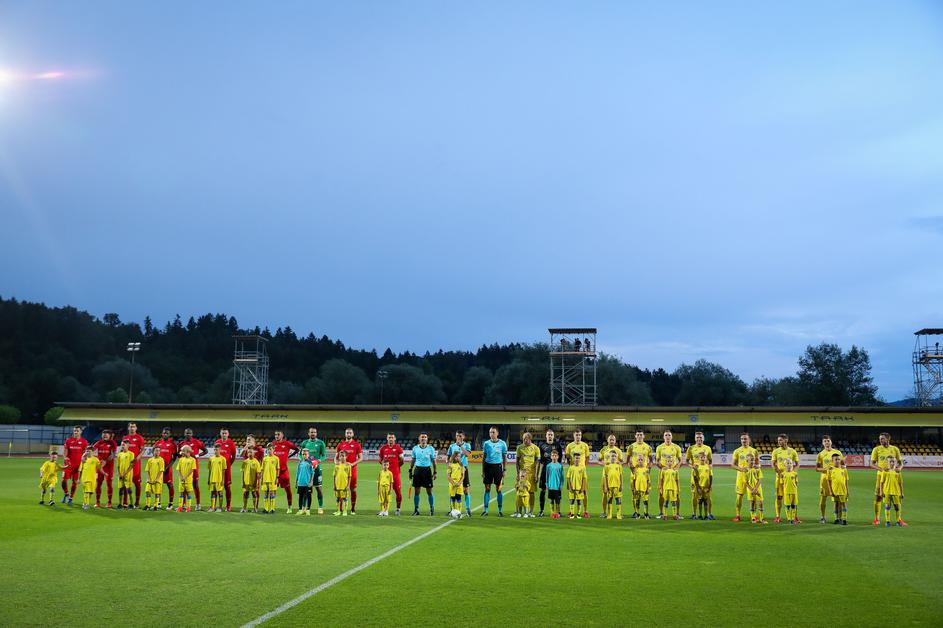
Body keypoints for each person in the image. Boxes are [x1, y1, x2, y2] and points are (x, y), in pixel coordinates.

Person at [870, 432, 904, 526]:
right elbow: (872, 464)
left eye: (882, 438)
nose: (880, 440)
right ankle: (877, 519)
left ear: (888, 439)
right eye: (880, 439)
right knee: (878, 497)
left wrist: (900, 468)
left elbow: (901, 462)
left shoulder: (895, 449)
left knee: (897, 497)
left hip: (893, 476)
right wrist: (882, 470)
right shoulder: (876, 449)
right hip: (881, 476)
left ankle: (899, 519)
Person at [771, 433, 799, 523]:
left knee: (793, 497)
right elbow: (773, 464)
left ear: (786, 440)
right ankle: (778, 516)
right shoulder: (776, 451)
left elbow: (797, 464)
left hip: (790, 479)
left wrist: (793, 473)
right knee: (779, 497)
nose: (778, 442)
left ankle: (794, 516)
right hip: (779, 478)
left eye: (780, 440)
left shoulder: (792, 451)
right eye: (778, 440)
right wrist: (779, 473)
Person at [537, 429, 566, 517]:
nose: (550, 436)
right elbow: (540, 461)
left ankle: (558, 511)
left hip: (555, 473)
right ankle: (541, 510)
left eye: (551, 435)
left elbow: (560, 461)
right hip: (545, 471)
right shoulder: (542, 446)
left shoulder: (557, 446)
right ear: (546, 436)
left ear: (553, 436)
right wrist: (537, 474)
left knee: (558, 490)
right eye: (548, 434)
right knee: (543, 490)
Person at [731, 432, 759, 522]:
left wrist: (756, 467)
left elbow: (758, 464)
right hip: (741, 477)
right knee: (739, 496)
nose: (743, 440)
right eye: (742, 439)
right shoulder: (737, 451)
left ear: (749, 440)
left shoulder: (754, 451)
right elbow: (733, 464)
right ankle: (738, 515)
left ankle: (753, 515)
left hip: (751, 477)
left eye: (745, 439)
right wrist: (741, 469)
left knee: (753, 496)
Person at [815, 435, 844, 523]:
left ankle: (839, 518)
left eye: (828, 441)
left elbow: (843, 465)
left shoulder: (837, 452)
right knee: (823, 498)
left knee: (838, 499)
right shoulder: (821, 454)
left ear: (831, 442)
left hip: (836, 479)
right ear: (822, 443)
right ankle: (823, 517)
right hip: (824, 479)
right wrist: (826, 470)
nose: (827, 442)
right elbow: (817, 468)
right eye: (825, 441)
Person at [684, 431, 712, 520]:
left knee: (708, 496)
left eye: (700, 437)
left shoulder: (708, 448)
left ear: (703, 438)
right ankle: (694, 514)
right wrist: (692, 466)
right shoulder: (691, 448)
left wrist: (709, 466)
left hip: (705, 475)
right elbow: (687, 461)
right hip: (695, 475)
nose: (699, 439)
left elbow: (710, 461)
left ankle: (709, 514)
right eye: (697, 437)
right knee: (695, 496)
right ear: (695, 439)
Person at [299, 427, 327, 514]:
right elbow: (300, 455)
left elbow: (324, 456)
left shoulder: (321, 443)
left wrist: (317, 461)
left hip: (317, 469)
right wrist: (304, 461)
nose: (313, 434)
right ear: (308, 433)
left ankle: (320, 507)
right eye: (311, 432)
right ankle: (304, 508)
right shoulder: (305, 443)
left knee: (319, 488)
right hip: (307, 470)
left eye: (314, 432)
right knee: (306, 489)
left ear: (316, 433)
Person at [270, 430, 299, 514]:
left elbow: (297, 449)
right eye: (275, 434)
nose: (276, 436)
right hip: (274, 471)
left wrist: (289, 456)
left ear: (282, 435)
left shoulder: (287, 444)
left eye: (278, 434)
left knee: (287, 489)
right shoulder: (273, 444)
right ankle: (272, 507)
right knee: (273, 490)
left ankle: (289, 507)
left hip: (283, 471)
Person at [178, 428, 208, 511]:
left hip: (194, 468)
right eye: (186, 433)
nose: (188, 434)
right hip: (184, 468)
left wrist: (197, 455)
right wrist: (181, 453)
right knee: (183, 486)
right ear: (184, 434)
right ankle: (184, 504)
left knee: (195, 485)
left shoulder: (197, 442)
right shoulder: (181, 443)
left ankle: (198, 504)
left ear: (192, 434)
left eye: (189, 433)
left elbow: (205, 450)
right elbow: (178, 454)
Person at [336, 428, 363, 514]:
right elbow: (336, 458)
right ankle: (340, 509)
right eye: (347, 433)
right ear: (345, 434)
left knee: (353, 489)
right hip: (342, 471)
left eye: (350, 433)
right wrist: (337, 463)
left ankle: (353, 508)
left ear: (353, 434)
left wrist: (352, 464)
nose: (348, 434)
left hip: (352, 470)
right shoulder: (340, 445)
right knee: (341, 489)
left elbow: (361, 458)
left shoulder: (357, 445)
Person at [655, 430, 682, 519]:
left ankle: (677, 513)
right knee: (661, 493)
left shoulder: (676, 447)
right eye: (666, 435)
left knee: (677, 494)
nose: (667, 437)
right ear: (663, 437)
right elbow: (657, 461)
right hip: (663, 473)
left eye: (669, 435)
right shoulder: (659, 447)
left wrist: (676, 467)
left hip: (673, 473)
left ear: (671, 437)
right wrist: (662, 467)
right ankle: (661, 513)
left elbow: (680, 461)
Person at [481, 426, 508, 516]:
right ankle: (486, 510)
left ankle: (500, 510)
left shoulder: (502, 443)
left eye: (493, 432)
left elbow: (504, 457)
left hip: (498, 467)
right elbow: (484, 457)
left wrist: (504, 469)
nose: (491, 434)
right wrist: (483, 471)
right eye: (490, 432)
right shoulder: (486, 443)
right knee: (487, 489)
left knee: (499, 489)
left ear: (497, 433)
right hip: (488, 467)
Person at [564, 430, 591, 517]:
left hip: (582, 471)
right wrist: (571, 466)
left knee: (584, 491)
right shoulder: (569, 446)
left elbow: (587, 457)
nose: (578, 436)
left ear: (581, 435)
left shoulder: (585, 445)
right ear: (573, 435)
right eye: (576, 435)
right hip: (572, 471)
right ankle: (571, 511)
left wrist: (584, 467)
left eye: (579, 435)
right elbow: (567, 457)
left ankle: (585, 511)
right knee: (571, 491)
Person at [446, 430, 473, 517]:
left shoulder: (467, 445)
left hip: (463, 469)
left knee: (466, 490)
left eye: (460, 436)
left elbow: (467, 454)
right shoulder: (452, 446)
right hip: (454, 470)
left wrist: (461, 446)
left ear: (463, 437)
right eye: (457, 435)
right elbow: (448, 457)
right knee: (452, 490)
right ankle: (452, 510)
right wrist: (449, 464)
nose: (458, 437)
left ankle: (468, 509)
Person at [410, 432, 437, 516]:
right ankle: (416, 509)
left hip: (427, 471)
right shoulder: (415, 448)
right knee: (416, 492)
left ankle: (432, 508)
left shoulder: (431, 448)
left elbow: (434, 461)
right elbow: (413, 460)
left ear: (427, 439)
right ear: (419, 438)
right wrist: (410, 470)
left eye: (425, 437)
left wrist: (435, 472)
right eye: (422, 437)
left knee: (429, 491)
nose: (423, 438)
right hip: (417, 470)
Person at [597, 434, 624, 518]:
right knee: (605, 493)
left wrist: (619, 463)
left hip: (615, 476)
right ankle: (604, 512)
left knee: (618, 494)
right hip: (605, 475)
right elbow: (599, 461)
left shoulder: (618, 451)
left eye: (613, 440)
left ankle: (619, 513)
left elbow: (622, 461)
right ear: (607, 440)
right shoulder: (603, 449)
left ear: (615, 441)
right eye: (610, 439)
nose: (612, 441)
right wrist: (604, 464)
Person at [61, 425, 89, 505]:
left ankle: (71, 497)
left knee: (75, 482)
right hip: (68, 465)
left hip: (78, 466)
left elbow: (85, 454)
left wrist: (84, 460)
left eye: (77, 431)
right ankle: (66, 493)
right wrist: (65, 458)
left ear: (81, 432)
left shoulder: (84, 442)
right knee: (63, 480)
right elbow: (65, 452)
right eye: (74, 431)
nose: (76, 432)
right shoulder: (68, 440)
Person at [378, 433, 405, 516]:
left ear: (395, 438)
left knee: (398, 492)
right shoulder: (383, 448)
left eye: (392, 437)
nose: (391, 439)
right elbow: (380, 460)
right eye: (389, 437)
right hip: (385, 476)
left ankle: (398, 509)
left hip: (395, 475)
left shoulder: (398, 448)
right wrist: (385, 468)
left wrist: (396, 467)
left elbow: (402, 461)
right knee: (384, 493)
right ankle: (384, 510)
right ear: (387, 438)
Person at [628, 430, 652, 518]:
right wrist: (632, 469)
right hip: (635, 473)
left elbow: (651, 461)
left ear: (643, 436)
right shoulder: (631, 447)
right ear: (635, 436)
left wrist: (648, 470)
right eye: (638, 435)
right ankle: (636, 512)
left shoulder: (648, 447)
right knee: (634, 493)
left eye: (641, 435)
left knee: (646, 494)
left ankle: (645, 512)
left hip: (644, 473)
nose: (639, 436)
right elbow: (628, 461)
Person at [121, 422, 146, 508]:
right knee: (125, 483)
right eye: (131, 427)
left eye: (133, 427)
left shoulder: (139, 438)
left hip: (135, 464)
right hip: (126, 464)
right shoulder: (125, 438)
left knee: (137, 483)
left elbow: (143, 450)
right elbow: (122, 449)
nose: (132, 428)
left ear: (136, 428)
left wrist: (137, 458)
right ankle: (125, 502)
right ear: (128, 428)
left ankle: (137, 503)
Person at [515, 432, 540, 517]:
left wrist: (536, 474)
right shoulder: (520, 448)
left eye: (526, 438)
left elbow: (537, 463)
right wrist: (518, 473)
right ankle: (519, 511)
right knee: (520, 491)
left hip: (531, 473)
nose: (525, 440)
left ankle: (531, 511)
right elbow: (517, 462)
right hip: (522, 474)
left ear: (530, 439)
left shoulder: (536, 448)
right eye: (523, 439)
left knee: (531, 493)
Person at [92, 429, 119, 508]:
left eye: (107, 434)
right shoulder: (99, 442)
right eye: (103, 434)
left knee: (109, 484)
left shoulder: (112, 443)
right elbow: (92, 449)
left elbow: (113, 455)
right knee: (98, 484)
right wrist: (86, 452)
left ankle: (109, 502)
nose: (105, 435)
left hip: (109, 467)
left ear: (110, 436)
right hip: (100, 467)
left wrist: (105, 461)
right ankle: (97, 502)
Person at [214, 428, 238, 512]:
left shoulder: (231, 443)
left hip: (227, 469)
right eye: (223, 433)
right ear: (220, 434)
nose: (224, 435)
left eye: (225, 433)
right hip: (217, 469)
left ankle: (228, 505)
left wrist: (229, 464)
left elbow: (233, 456)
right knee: (216, 487)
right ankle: (215, 505)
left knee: (227, 486)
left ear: (228, 434)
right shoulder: (217, 442)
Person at [154, 427, 178, 510]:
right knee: (158, 485)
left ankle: (170, 503)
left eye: (167, 433)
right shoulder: (158, 443)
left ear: (169, 434)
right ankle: (158, 503)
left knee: (170, 485)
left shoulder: (172, 444)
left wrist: (168, 467)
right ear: (162, 433)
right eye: (164, 433)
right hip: (158, 469)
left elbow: (174, 457)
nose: (165, 434)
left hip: (168, 469)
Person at [878, 457, 904, 527]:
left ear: (896, 463)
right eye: (890, 462)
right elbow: (881, 482)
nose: (892, 463)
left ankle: (898, 521)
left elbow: (900, 483)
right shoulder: (885, 471)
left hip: (896, 492)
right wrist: (881, 492)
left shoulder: (898, 472)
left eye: (893, 462)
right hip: (887, 491)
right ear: (888, 463)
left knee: (897, 507)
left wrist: (902, 492)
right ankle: (888, 521)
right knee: (887, 506)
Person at [744, 453, 767, 524]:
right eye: (751, 460)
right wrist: (751, 489)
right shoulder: (745, 470)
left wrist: (756, 488)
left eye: (753, 460)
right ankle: (753, 518)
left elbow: (760, 479)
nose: (753, 461)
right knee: (752, 502)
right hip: (750, 489)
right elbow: (746, 482)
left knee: (761, 502)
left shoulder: (757, 469)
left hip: (758, 488)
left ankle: (761, 518)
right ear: (747, 461)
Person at [826, 455, 849, 525]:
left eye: (838, 459)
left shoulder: (844, 469)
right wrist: (830, 491)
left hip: (843, 490)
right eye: (835, 459)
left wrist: (847, 491)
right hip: (834, 490)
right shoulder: (830, 470)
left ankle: (844, 519)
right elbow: (828, 481)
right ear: (832, 461)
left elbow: (846, 481)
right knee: (835, 504)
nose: (837, 461)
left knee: (843, 504)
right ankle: (836, 519)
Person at [692, 451, 714, 520]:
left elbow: (711, 477)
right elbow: (695, 478)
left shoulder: (708, 467)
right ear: (699, 458)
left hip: (706, 487)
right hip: (699, 487)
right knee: (700, 501)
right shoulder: (697, 467)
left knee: (706, 501)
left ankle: (706, 515)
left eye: (704, 457)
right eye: (701, 457)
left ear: (706, 458)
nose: (702, 458)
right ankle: (700, 515)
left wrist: (709, 487)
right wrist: (698, 488)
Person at [602, 450, 623, 520]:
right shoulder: (607, 466)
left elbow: (621, 476)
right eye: (612, 456)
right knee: (609, 499)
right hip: (609, 486)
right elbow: (605, 477)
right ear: (609, 457)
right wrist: (606, 486)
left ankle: (618, 514)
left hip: (617, 486)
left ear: (616, 457)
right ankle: (609, 514)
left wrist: (621, 485)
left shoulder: (619, 466)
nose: (613, 457)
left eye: (614, 456)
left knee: (618, 499)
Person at [175, 445, 196, 512]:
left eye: (183, 451)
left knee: (188, 493)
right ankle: (180, 507)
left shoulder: (192, 460)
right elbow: (178, 469)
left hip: (188, 480)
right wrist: (181, 477)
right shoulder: (181, 459)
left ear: (187, 451)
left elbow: (192, 470)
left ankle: (188, 507)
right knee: (181, 493)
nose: (181, 452)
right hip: (181, 480)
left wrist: (185, 477)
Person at [207, 445, 228, 512]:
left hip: (219, 479)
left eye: (217, 450)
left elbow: (223, 470)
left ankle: (220, 507)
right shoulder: (211, 458)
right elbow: (210, 470)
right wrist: (208, 479)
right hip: (212, 478)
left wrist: (223, 480)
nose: (216, 451)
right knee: (212, 493)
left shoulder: (223, 459)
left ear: (220, 450)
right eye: (215, 450)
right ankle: (213, 507)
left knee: (220, 493)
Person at [566, 451, 587, 519]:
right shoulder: (571, 468)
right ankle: (572, 514)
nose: (577, 459)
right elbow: (568, 478)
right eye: (576, 458)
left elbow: (584, 478)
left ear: (580, 459)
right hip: (572, 488)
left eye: (578, 458)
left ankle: (578, 514)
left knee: (579, 501)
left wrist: (582, 488)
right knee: (571, 500)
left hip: (579, 488)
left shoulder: (582, 468)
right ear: (573, 459)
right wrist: (570, 487)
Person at [260, 445, 280, 514]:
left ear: (273, 449)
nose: (269, 451)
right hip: (265, 478)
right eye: (268, 449)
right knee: (265, 493)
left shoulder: (276, 458)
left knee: (272, 493)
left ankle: (272, 509)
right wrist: (261, 478)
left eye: (270, 449)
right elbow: (262, 469)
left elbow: (278, 469)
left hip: (272, 479)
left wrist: (277, 478)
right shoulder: (265, 459)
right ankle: (266, 509)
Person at [241, 446, 262, 513]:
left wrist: (257, 483)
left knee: (254, 494)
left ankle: (255, 508)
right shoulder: (245, 462)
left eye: (251, 452)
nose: (250, 453)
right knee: (245, 494)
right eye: (249, 452)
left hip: (253, 482)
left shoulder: (256, 462)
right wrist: (243, 482)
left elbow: (258, 473)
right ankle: (244, 508)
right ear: (247, 453)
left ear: (254, 453)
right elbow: (243, 472)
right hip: (246, 482)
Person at [544, 449, 564, 519]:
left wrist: (561, 485)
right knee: (551, 500)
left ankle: (557, 513)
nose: (554, 457)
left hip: (557, 486)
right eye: (553, 455)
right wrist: (547, 484)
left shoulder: (560, 466)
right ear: (551, 456)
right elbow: (547, 476)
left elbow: (562, 477)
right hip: (550, 486)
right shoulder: (548, 466)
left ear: (558, 456)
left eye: (555, 455)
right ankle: (552, 513)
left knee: (557, 500)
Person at [659, 455, 680, 520]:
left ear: (673, 462)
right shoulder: (663, 470)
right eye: (668, 461)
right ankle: (665, 515)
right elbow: (661, 480)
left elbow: (677, 480)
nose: (669, 462)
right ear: (666, 462)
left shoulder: (675, 471)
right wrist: (661, 488)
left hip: (673, 488)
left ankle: (674, 515)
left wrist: (678, 489)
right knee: (666, 501)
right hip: (666, 488)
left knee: (673, 502)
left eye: (671, 461)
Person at [116, 441, 136, 509]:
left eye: (124, 445)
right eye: (121, 445)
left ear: (128, 446)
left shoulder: (131, 454)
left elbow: (131, 465)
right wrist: (119, 473)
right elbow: (118, 465)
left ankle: (131, 504)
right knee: (120, 489)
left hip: (128, 475)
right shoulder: (119, 454)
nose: (122, 446)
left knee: (129, 489)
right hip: (121, 475)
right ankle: (120, 504)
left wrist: (125, 473)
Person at [631, 454, 652, 519]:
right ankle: (637, 514)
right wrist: (634, 488)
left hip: (644, 488)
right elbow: (634, 480)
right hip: (637, 489)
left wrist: (648, 488)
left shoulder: (646, 470)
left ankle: (646, 514)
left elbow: (648, 480)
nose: (640, 461)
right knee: (637, 501)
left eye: (641, 460)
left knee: (645, 501)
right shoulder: (635, 470)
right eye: (639, 460)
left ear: (644, 461)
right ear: (637, 461)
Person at [295, 449, 314, 516]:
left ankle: (308, 510)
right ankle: (300, 510)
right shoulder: (300, 462)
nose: (304, 455)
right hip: (300, 482)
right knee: (300, 497)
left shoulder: (310, 463)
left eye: (305, 454)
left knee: (308, 496)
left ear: (308, 455)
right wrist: (296, 481)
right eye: (303, 454)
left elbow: (312, 473)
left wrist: (311, 482)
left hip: (307, 483)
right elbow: (297, 472)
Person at [332, 450, 351, 516]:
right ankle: (338, 511)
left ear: (346, 457)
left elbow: (349, 476)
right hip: (337, 485)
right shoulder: (336, 465)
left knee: (345, 498)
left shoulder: (348, 465)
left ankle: (345, 511)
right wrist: (334, 485)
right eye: (340, 456)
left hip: (344, 485)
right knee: (337, 498)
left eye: (343, 456)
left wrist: (348, 485)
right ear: (339, 457)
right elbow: (334, 476)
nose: (342, 457)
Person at [448, 452, 466, 516]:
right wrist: (453, 483)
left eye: (459, 456)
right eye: (457, 456)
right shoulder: (450, 465)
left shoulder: (461, 465)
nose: (458, 458)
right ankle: (453, 511)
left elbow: (463, 476)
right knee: (452, 497)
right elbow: (448, 476)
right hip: (452, 483)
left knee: (459, 497)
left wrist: (459, 483)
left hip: (459, 483)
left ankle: (459, 512)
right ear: (454, 457)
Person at [781, 458, 799, 524]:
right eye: (787, 463)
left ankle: (793, 519)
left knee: (794, 505)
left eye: (790, 463)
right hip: (786, 492)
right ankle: (789, 519)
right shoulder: (783, 474)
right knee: (787, 506)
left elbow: (796, 483)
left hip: (794, 492)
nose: (789, 464)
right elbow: (782, 483)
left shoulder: (795, 474)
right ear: (784, 465)